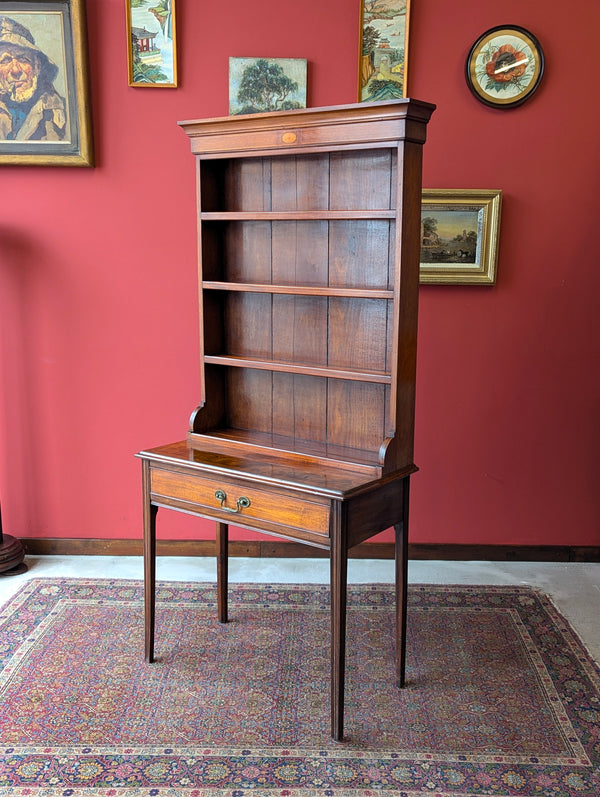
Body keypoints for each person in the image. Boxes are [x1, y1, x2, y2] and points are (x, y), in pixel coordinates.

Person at [0, 15, 66, 141]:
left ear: (37, 66)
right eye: (5, 60)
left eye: (23, 59)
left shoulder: (65, 111)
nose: (15, 70)